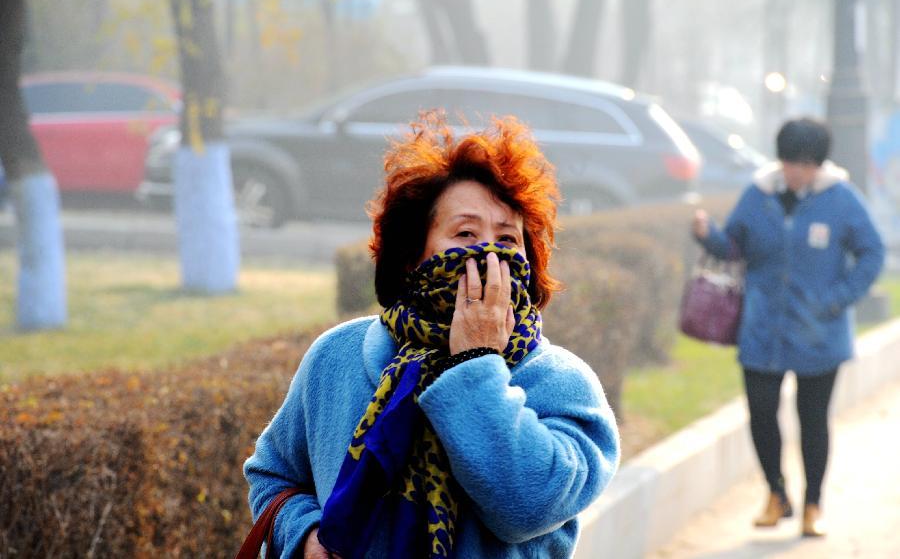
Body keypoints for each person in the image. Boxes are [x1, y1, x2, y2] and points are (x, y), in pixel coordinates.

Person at [244, 113, 621, 558]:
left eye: (507, 238)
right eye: (465, 233)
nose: (489, 255)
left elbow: (526, 508)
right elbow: (274, 475)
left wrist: (476, 362)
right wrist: (304, 535)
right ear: (412, 254)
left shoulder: (562, 385)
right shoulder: (337, 357)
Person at [691, 117, 884, 537]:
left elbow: (871, 254)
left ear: (818, 163)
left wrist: (836, 299)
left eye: (805, 163)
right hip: (762, 331)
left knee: (813, 420)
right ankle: (776, 495)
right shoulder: (758, 196)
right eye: (790, 162)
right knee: (761, 413)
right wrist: (708, 236)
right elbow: (732, 247)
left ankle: (814, 504)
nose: (796, 171)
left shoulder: (842, 201)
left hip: (820, 335)